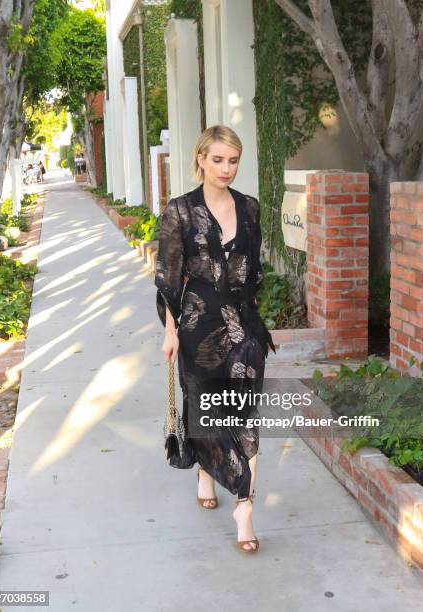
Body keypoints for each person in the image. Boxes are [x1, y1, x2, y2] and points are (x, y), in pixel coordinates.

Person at [154, 125, 275, 554]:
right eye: (218, 159)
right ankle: (206, 470)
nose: (227, 168)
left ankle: (245, 505)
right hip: (197, 326)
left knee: (243, 416)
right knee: (205, 406)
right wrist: (170, 332)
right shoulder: (180, 211)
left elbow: (254, 269)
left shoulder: (250, 208)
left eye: (234, 160)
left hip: (243, 326)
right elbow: (169, 278)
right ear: (201, 159)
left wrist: (252, 323)